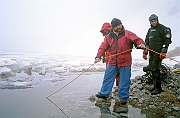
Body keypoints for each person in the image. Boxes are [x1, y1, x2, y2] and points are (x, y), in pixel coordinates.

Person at [94, 18, 146, 105]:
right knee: (107, 77)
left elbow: (137, 40)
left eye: (120, 24)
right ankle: (104, 93)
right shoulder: (108, 37)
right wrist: (98, 56)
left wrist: (142, 44)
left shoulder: (127, 33)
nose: (119, 26)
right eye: (117, 25)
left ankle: (123, 97)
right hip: (112, 61)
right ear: (113, 27)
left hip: (125, 61)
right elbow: (102, 47)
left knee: (125, 79)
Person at [142, 14, 172, 95]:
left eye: (155, 20)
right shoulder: (150, 30)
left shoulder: (163, 28)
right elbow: (146, 42)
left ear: (157, 20)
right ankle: (155, 86)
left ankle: (158, 88)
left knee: (155, 69)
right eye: (152, 21)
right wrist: (145, 52)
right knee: (152, 68)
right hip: (151, 53)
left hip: (159, 53)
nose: (154, 22)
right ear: (150, 22)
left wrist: (164, 50)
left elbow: (167, 40)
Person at [100, 22, 120, 90]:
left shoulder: (114, 36)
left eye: (105, 30)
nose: (104, 31)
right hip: (107, 58)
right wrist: (103, 56)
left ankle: (118, 86)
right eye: (103, 30)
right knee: (108, 73)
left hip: (114, 57)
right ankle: (107, 88)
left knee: (117, 72)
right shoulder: (106, 37)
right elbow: (104, 47)